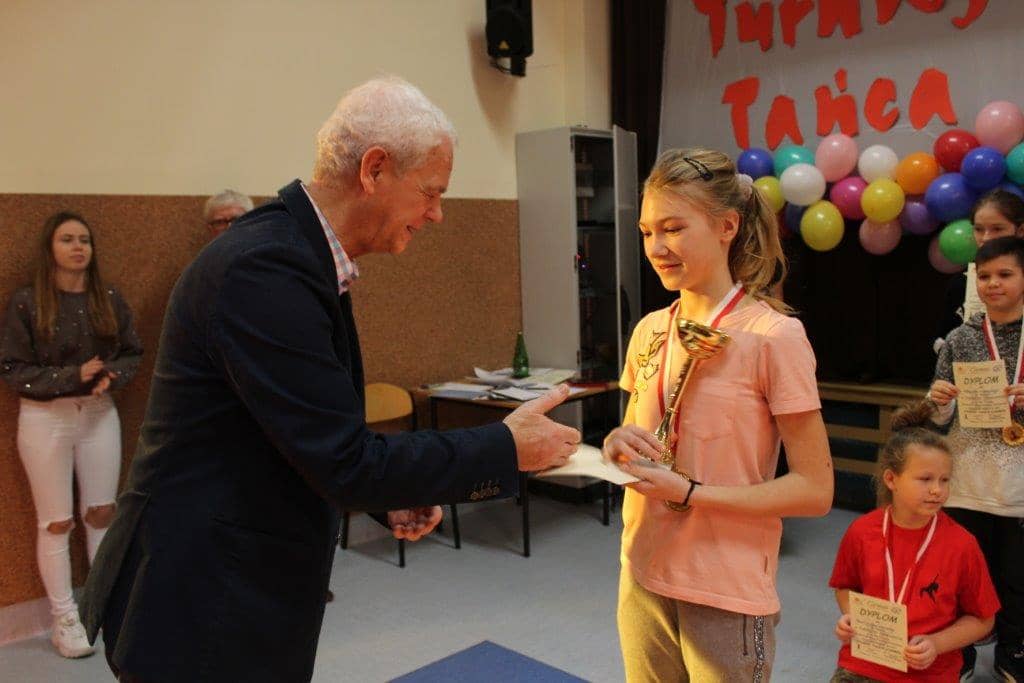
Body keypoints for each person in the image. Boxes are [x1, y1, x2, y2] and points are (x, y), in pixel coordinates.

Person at [79, 76, 580, 683]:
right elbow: (344, 459)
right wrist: (505, 445)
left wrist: (386, 495)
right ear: (374, 169)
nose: (437, 214)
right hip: (204, 602)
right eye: (430, 192)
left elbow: (298, 438)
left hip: (233, 581)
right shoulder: (265, 268)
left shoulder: (297, 253)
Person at [602, 148, 834, 681]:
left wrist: (690, 493)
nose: (656, 247)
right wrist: (618, 442)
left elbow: (815, 490)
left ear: (727, 226)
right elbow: (640, 432)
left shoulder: (774, 337)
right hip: (641, 572)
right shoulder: (650, 329)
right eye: (646, 232)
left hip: (724, 588)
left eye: (673, 228)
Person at [0, 211, 142, 659]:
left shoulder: (108, 298)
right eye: (67, 239)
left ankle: (101, 605)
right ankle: (64, 618)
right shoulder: (27, 302)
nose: (78, 247)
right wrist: (71, 376)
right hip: (46, 418)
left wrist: (110, 377)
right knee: (56, 521)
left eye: (85, 239)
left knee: (101, 513)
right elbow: (13, 369)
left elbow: (132, 353)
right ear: (50, 248)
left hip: (98, 414)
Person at [829, 403, 999, 682]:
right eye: (925, 479)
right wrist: (852, 617)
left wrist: (936, 644)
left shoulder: (962, 544)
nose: (937, 490)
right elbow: (845, 587)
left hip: (930, 671)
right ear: (891, 479)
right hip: (865, 662)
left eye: (944, 480)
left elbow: (983, 619)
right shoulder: (861, 531)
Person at [928, 235, 1024, 682]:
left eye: (1005, 274)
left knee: (1016, 579)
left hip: (1018, 488)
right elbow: (938, 418)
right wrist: (940, 401)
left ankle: (1013, 650)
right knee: (963, 575)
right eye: (984, 276)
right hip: (968, 482)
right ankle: (959, 650)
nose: (993, 283)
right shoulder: (959, 339)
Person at [934, 189, 1024, 351]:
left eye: (997, 229)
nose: (986, 238)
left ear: (1021, 231)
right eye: (979, 229)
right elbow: (943, 340)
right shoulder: (960, 283)